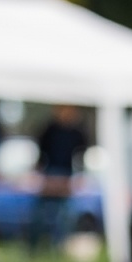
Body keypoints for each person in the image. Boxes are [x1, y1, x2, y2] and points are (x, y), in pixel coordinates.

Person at [28, 104, 88, 252]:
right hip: (50, 173)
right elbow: (41, 152)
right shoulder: (50, 129)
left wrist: (78, 175)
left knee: (65, 214)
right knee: (41, 213)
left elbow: (80, 156)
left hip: (67, 174)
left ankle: (59, 245)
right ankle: (34, 245)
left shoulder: (77, 133)